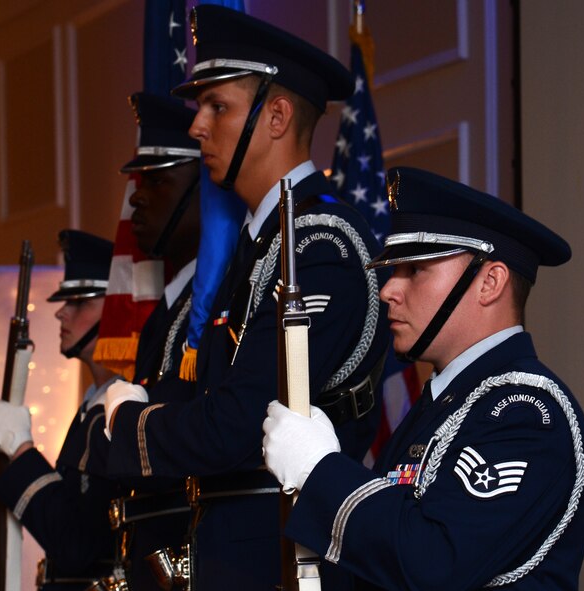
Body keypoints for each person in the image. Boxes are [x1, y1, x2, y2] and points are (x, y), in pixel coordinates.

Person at [104, 5, 390, 589]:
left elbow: (240, 421)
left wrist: (129, 422)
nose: (197, 127)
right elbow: (212, 392)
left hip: (282, 557)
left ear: (276, 116)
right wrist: (149, 401)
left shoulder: (320, 246)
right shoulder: (258, 244)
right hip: (235, 554)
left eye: (218, 107)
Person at [263, 167, 584, 590]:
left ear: (489, 282)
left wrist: (321, 470)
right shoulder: (447, 403)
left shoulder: (525, 413)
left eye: (415, 269)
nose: (388, 290)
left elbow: (435, 564)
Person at [0, 229, 122, 590]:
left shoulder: (119, 413)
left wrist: (22, 450)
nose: (62, 312)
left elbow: (80, 545)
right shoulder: (92, 407)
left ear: (118, 308)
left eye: (80, 302)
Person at [108, 91, 202, 591]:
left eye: (159, 181)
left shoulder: (213, 304)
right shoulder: (170, 308)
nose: (137, 198)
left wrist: (119, 424)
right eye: (139, 181)